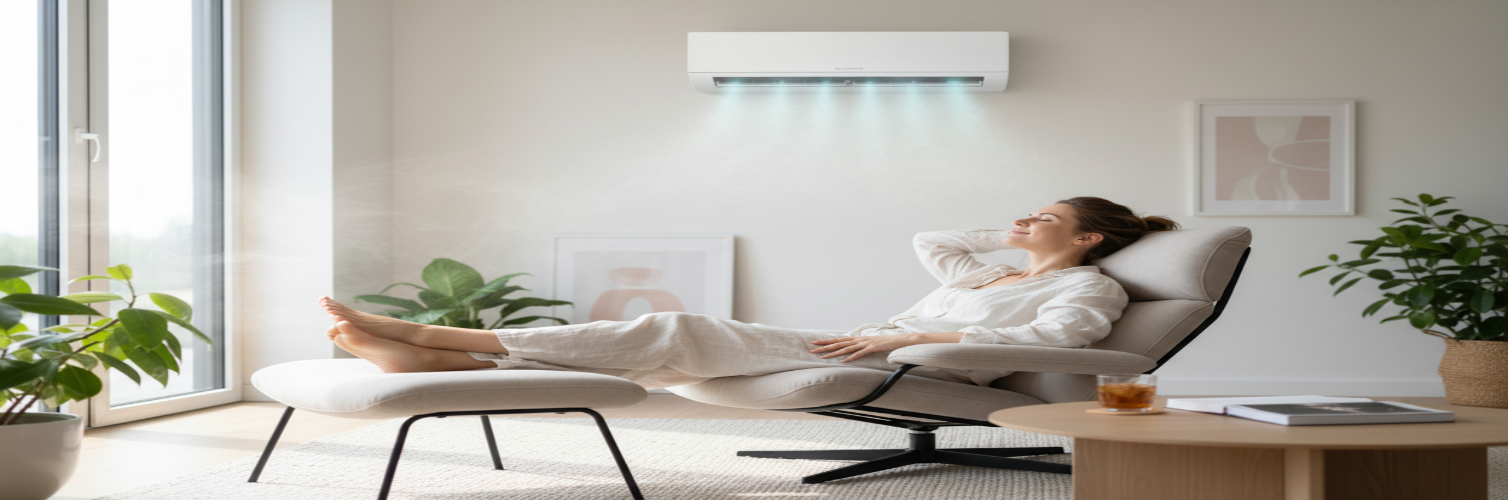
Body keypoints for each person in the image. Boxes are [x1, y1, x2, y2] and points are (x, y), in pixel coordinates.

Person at [318, 197, 1179, 388]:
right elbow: (933, 241)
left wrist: (898, 346)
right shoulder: (987, 272)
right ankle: (420, 352)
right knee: (680, 334)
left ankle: (434, 342)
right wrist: (1016, 238)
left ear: (1091, 239)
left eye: (1048, 214)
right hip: (869, 338)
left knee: (677, 329)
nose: (1025, 217)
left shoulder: (1092, 287)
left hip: (917, 365)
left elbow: (1071, 345)